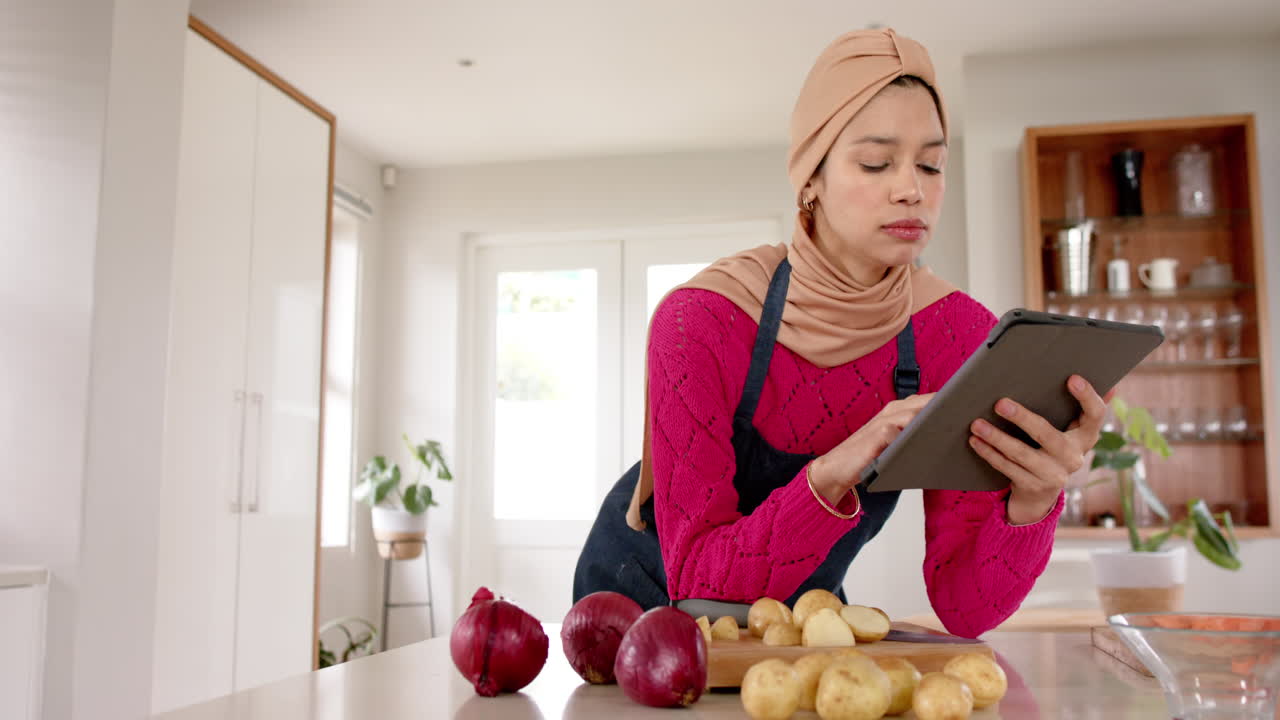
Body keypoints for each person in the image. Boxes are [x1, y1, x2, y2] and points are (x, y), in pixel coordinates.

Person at [572, 28, 1108, 638]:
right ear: (810, 178)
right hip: (636, 613)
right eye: (876, 162)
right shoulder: (701, 319)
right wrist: (831, 473)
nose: (912, 189)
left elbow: (967, 610)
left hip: (796, 620)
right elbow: (697, 581)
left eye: (931, 164)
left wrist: (1032, 503)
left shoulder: (957, 336)